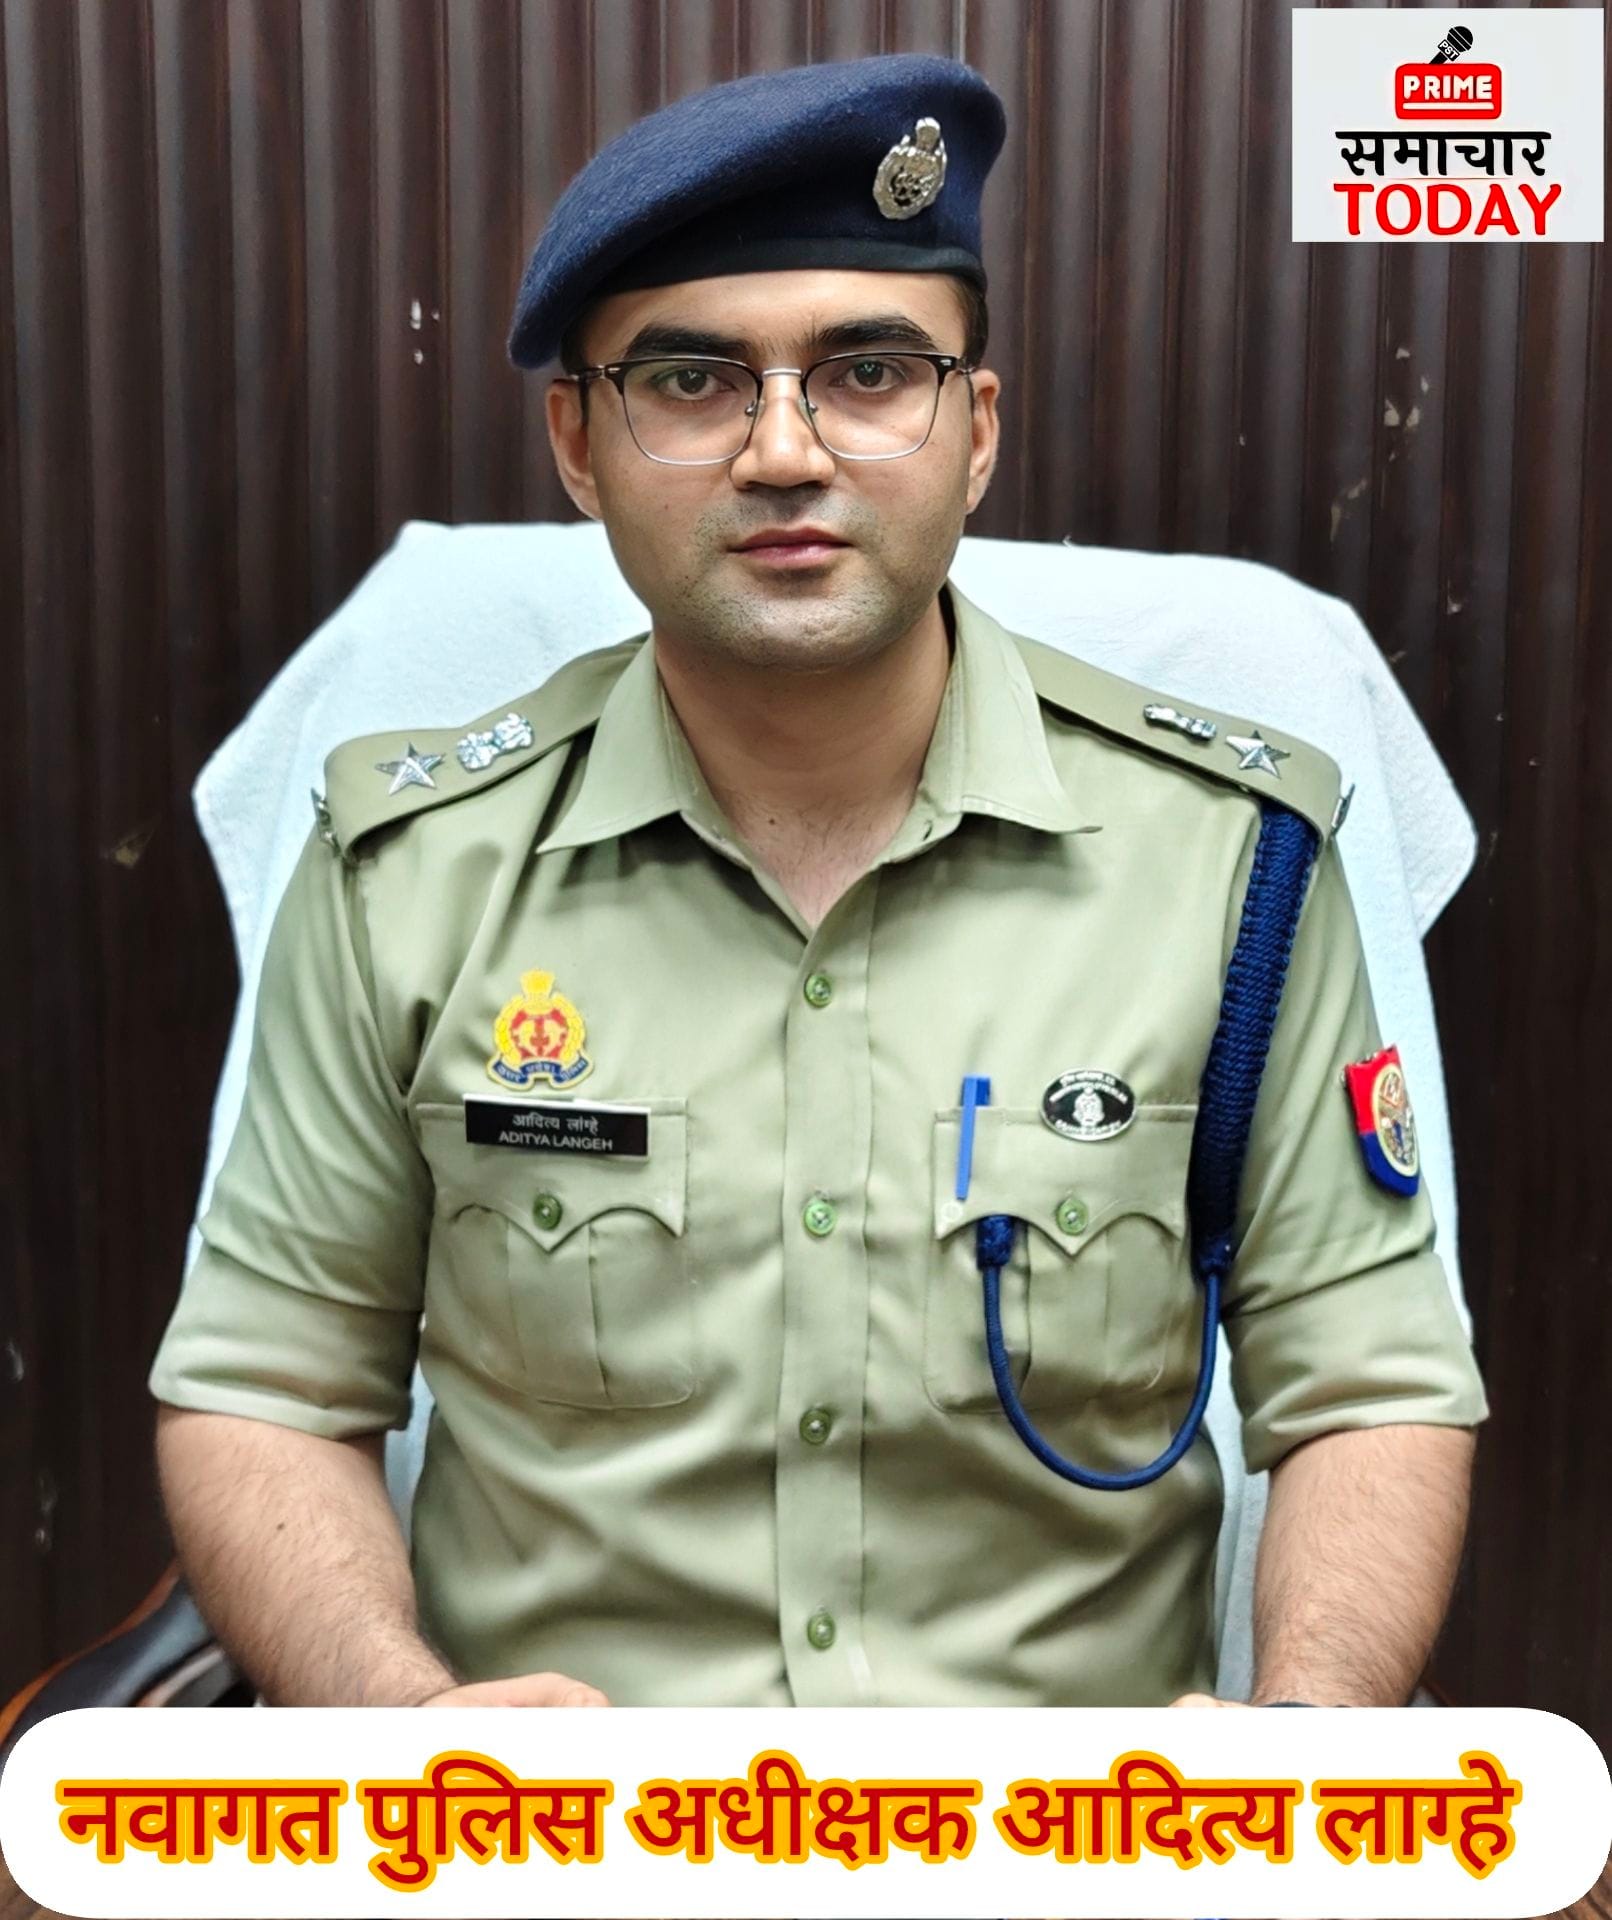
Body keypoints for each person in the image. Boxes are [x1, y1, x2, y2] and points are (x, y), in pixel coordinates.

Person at [147, 52, 1488, 1715]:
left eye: (867, 373)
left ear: (975, 430)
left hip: (1070, 1834)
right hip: (562, 1833)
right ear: (578, 444)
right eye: (690, 381)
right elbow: (267, 1391)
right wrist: (402, 1719)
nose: (784, 452)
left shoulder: (1233, 862)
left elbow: (1368, 1390)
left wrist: (1306, 1741)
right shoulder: (409, 874)